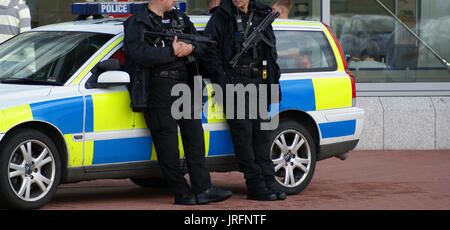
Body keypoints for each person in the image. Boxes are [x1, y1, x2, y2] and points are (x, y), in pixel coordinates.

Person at [123, 0, 232, 205]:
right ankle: (180, 192)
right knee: (167, 142)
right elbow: (139, 54)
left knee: (195, 139)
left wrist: (190, 47)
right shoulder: (137, 22)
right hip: (159, 86)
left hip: (186, 84)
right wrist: (171, 51)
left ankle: (203, 189)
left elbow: (203, 43)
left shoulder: (180, 18)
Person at [203, 0, 286, 201]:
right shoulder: (220, 18)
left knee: (262, 134)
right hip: (234, 82)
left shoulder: (260, 16)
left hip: (258, 80)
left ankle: (268, 178)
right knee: (244, 136)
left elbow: (271, 52)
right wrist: (225, 79)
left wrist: (270, 80)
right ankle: (255, 183)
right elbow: (209, 53)